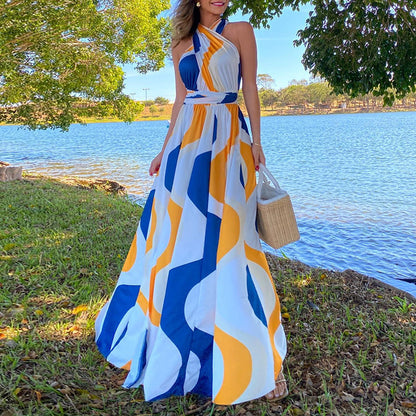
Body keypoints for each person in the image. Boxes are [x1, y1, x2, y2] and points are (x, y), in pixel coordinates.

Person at [95, 0, 288, 404]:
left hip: (228, 139)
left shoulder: (240, 32)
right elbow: (180, 100)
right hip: (187, 145)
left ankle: (247, 346)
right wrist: (163, 150)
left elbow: (249, 86)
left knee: (233, 240)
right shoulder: (180, 42)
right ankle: (171, 331)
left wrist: (257, 141)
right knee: (179, 235)